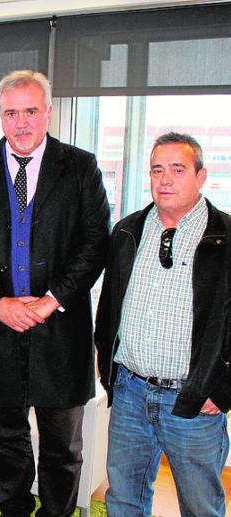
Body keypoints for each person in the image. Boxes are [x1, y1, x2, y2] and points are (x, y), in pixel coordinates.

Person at [0, 70, 110, 517]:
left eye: (31, 111)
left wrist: (51, 299)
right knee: (6, 438)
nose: (22, 122)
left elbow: (96, 244)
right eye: (11, 112)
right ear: (0, 116)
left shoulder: (80, 167)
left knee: (62, 446)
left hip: (61, 329)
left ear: (48, 113)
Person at [95, 132, 231, 517]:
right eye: (157, 170)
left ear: (201, 177)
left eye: (177, 169)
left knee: (201, 506)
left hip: (192, 403)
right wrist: (111, 373)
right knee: (123, 499)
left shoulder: (225, 238)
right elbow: (108, 311)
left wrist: (222, 391)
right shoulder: (127, 231)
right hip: (131, 394)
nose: (165, 179)